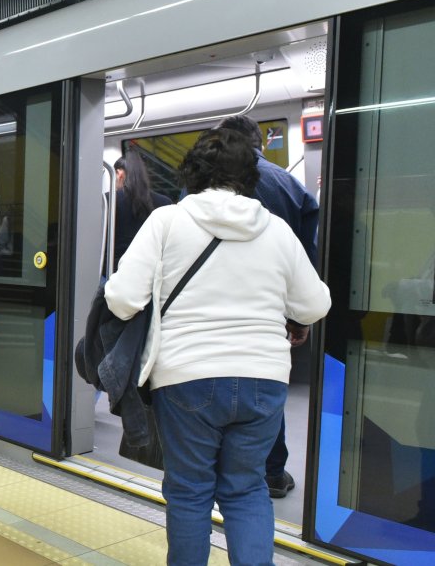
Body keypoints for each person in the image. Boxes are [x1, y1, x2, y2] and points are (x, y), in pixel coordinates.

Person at [104, 128, 330, 564]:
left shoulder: (167, 221)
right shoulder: (277, 229)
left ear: (191, 172)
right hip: (263, 381)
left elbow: (122, 298)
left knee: (189, 494)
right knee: (246, 490)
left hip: (186, 378)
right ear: (250, 176)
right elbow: (315, 304)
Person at [218, 114, 321, 498]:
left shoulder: (202, 189)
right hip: (271, 308)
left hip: (214, 312)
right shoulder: (290, 185)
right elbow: (307, 256)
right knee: (265, 386)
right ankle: (272, 473)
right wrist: (298, 316)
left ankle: (222, 472)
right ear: (259, 142)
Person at [113, 150, 172, 265]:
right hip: (153, 270)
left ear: (119, 174)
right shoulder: (165, 202)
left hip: (115, 269)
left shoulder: (109, 201)